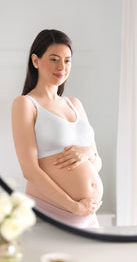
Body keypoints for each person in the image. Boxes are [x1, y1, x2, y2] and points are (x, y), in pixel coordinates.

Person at [11, 29, 103, 228]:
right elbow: (30, 171)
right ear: (35, 61)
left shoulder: (74, 104)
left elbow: (97, 162)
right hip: (51, 211)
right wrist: (73, 206)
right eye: (54, 59)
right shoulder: (26, 104)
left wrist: (86, 152)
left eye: (67, 60)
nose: (62, 66)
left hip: (88, 214)